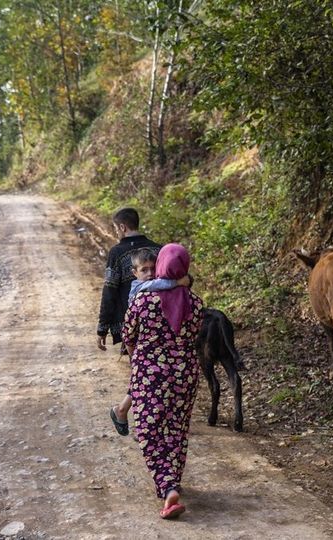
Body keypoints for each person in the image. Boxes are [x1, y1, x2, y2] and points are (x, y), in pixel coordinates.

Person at [121, 243, 204, 520]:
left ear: (160, 267)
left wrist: (140, 362)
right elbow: (195, 336)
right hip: (186, 374)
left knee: (148, 430)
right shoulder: (196, 302)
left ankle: (168, 487)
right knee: (177, 428)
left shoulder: (142, 302)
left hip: (150, 376)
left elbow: (128, 337)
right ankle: (172, 480)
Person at [109, 248, 190, 437]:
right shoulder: (140, 287)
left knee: (142, 381)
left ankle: (123, 411)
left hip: (148, 343)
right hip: (138, 341)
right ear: (134, 273)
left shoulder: (152, 284)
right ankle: (144, 427)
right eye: (144, 270)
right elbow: (160, 284)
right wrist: (178, 281)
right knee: (144, 383)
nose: (150, 273)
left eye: (153, 268)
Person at [96, 208, 160, 352]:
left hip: (131, 323)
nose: (116, 232)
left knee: (139, 367)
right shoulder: (158, 249)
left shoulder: (117, 252)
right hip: (161, 322)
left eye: (115, 228)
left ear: (122, 227)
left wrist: (102, 328)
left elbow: (109, 290)